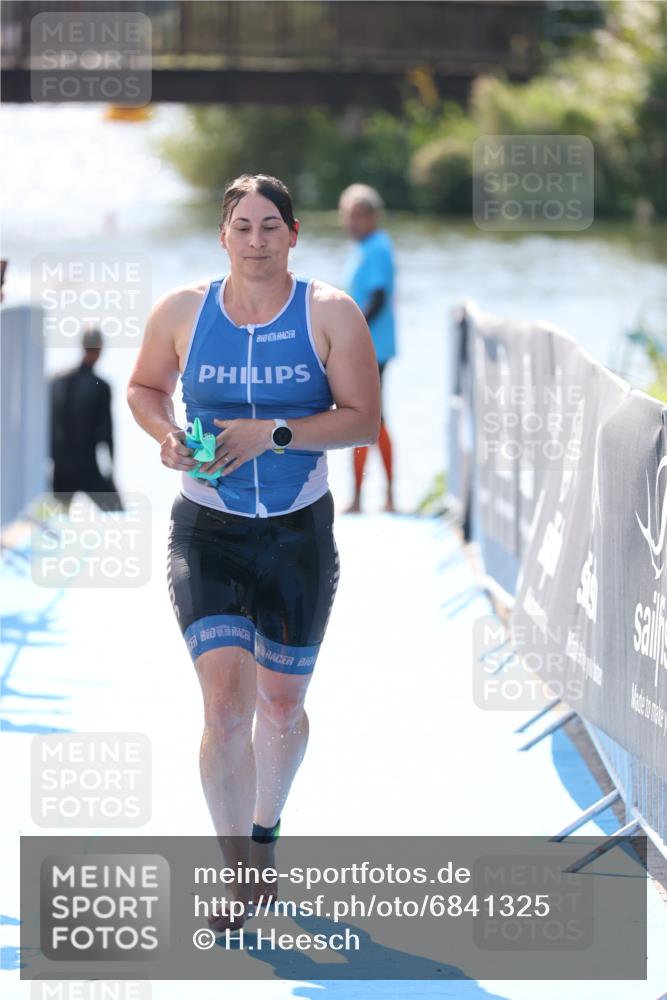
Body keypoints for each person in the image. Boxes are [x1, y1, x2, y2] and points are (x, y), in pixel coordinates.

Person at [127, 173, 381, 931]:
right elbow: (143, 388)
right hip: (206, 530)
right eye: (242, 226)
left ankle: (266, 829)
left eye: (271, 226)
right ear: (222, 236)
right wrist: (166, 435)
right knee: (224, 705)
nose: (257, 241)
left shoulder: (329, 312)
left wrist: (271, 433)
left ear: (294, 235)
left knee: (280, 706)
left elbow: (363, 420)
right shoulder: (181, 310)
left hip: (297, 531)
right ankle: (239, 874)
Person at [339, 183, 397, 513]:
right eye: (348, 216)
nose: (353, 222)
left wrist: (348, 330)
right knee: (364, 418)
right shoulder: (363, 247)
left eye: (360, 216)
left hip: (373, 346)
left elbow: (377, 299)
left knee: (370, 418)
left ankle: (382, 497)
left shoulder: (377, 248)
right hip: (365, 346)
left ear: (374, 217)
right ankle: (362, 497)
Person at [49, 328, 124, 512]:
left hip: (61, 466)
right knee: (117, 512)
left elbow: (49, 425)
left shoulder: (59, 380)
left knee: (56, 521)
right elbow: (107, 431)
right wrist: (111, 470)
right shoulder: (101, 386)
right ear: (100, 349)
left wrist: (51, 459)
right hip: (88, 464)